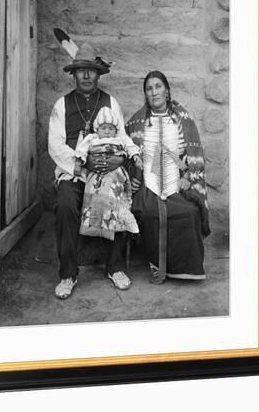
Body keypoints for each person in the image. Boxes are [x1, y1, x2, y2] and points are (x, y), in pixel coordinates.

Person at [48, 40, 133, 299]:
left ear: (98, 73)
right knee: (65, 204)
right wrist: (82, 163)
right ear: (73, 74)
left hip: (106, 169)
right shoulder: (61, 105)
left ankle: (115, 267)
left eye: (91, 70)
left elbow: (122, 138)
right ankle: (68, 274)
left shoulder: (111, 103)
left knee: (118, 199)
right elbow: (54, 144)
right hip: (74, 171)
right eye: (80, 70)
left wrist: (116, 161)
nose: (86, 75)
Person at [125, 70, 211, 284]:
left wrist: (188, 177)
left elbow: (194, 155)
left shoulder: (184, 119)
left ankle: (185, 266)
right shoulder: (136, 122)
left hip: (177, 181)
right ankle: (157, 262)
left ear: (167, 90)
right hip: (148, 182)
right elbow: (126, 153)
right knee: (148, 212)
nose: (154, 92)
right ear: (145, 94)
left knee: (189, 212)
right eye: (149, 88)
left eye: (158, 86)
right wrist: (134, 175)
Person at [74, 106, 141, 242]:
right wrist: (78, 163)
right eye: (103, 128)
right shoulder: (92, 138)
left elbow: (130, 146)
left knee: (112, 195)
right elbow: (81, 149)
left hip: (115, 172)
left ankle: (122, 220)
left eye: (111, 128)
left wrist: (135, 156)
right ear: (97, 129)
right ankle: (93, 225)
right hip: (96, 173)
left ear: (115, 130)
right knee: (94, 196)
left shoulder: (120, 138)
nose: (107, 132)